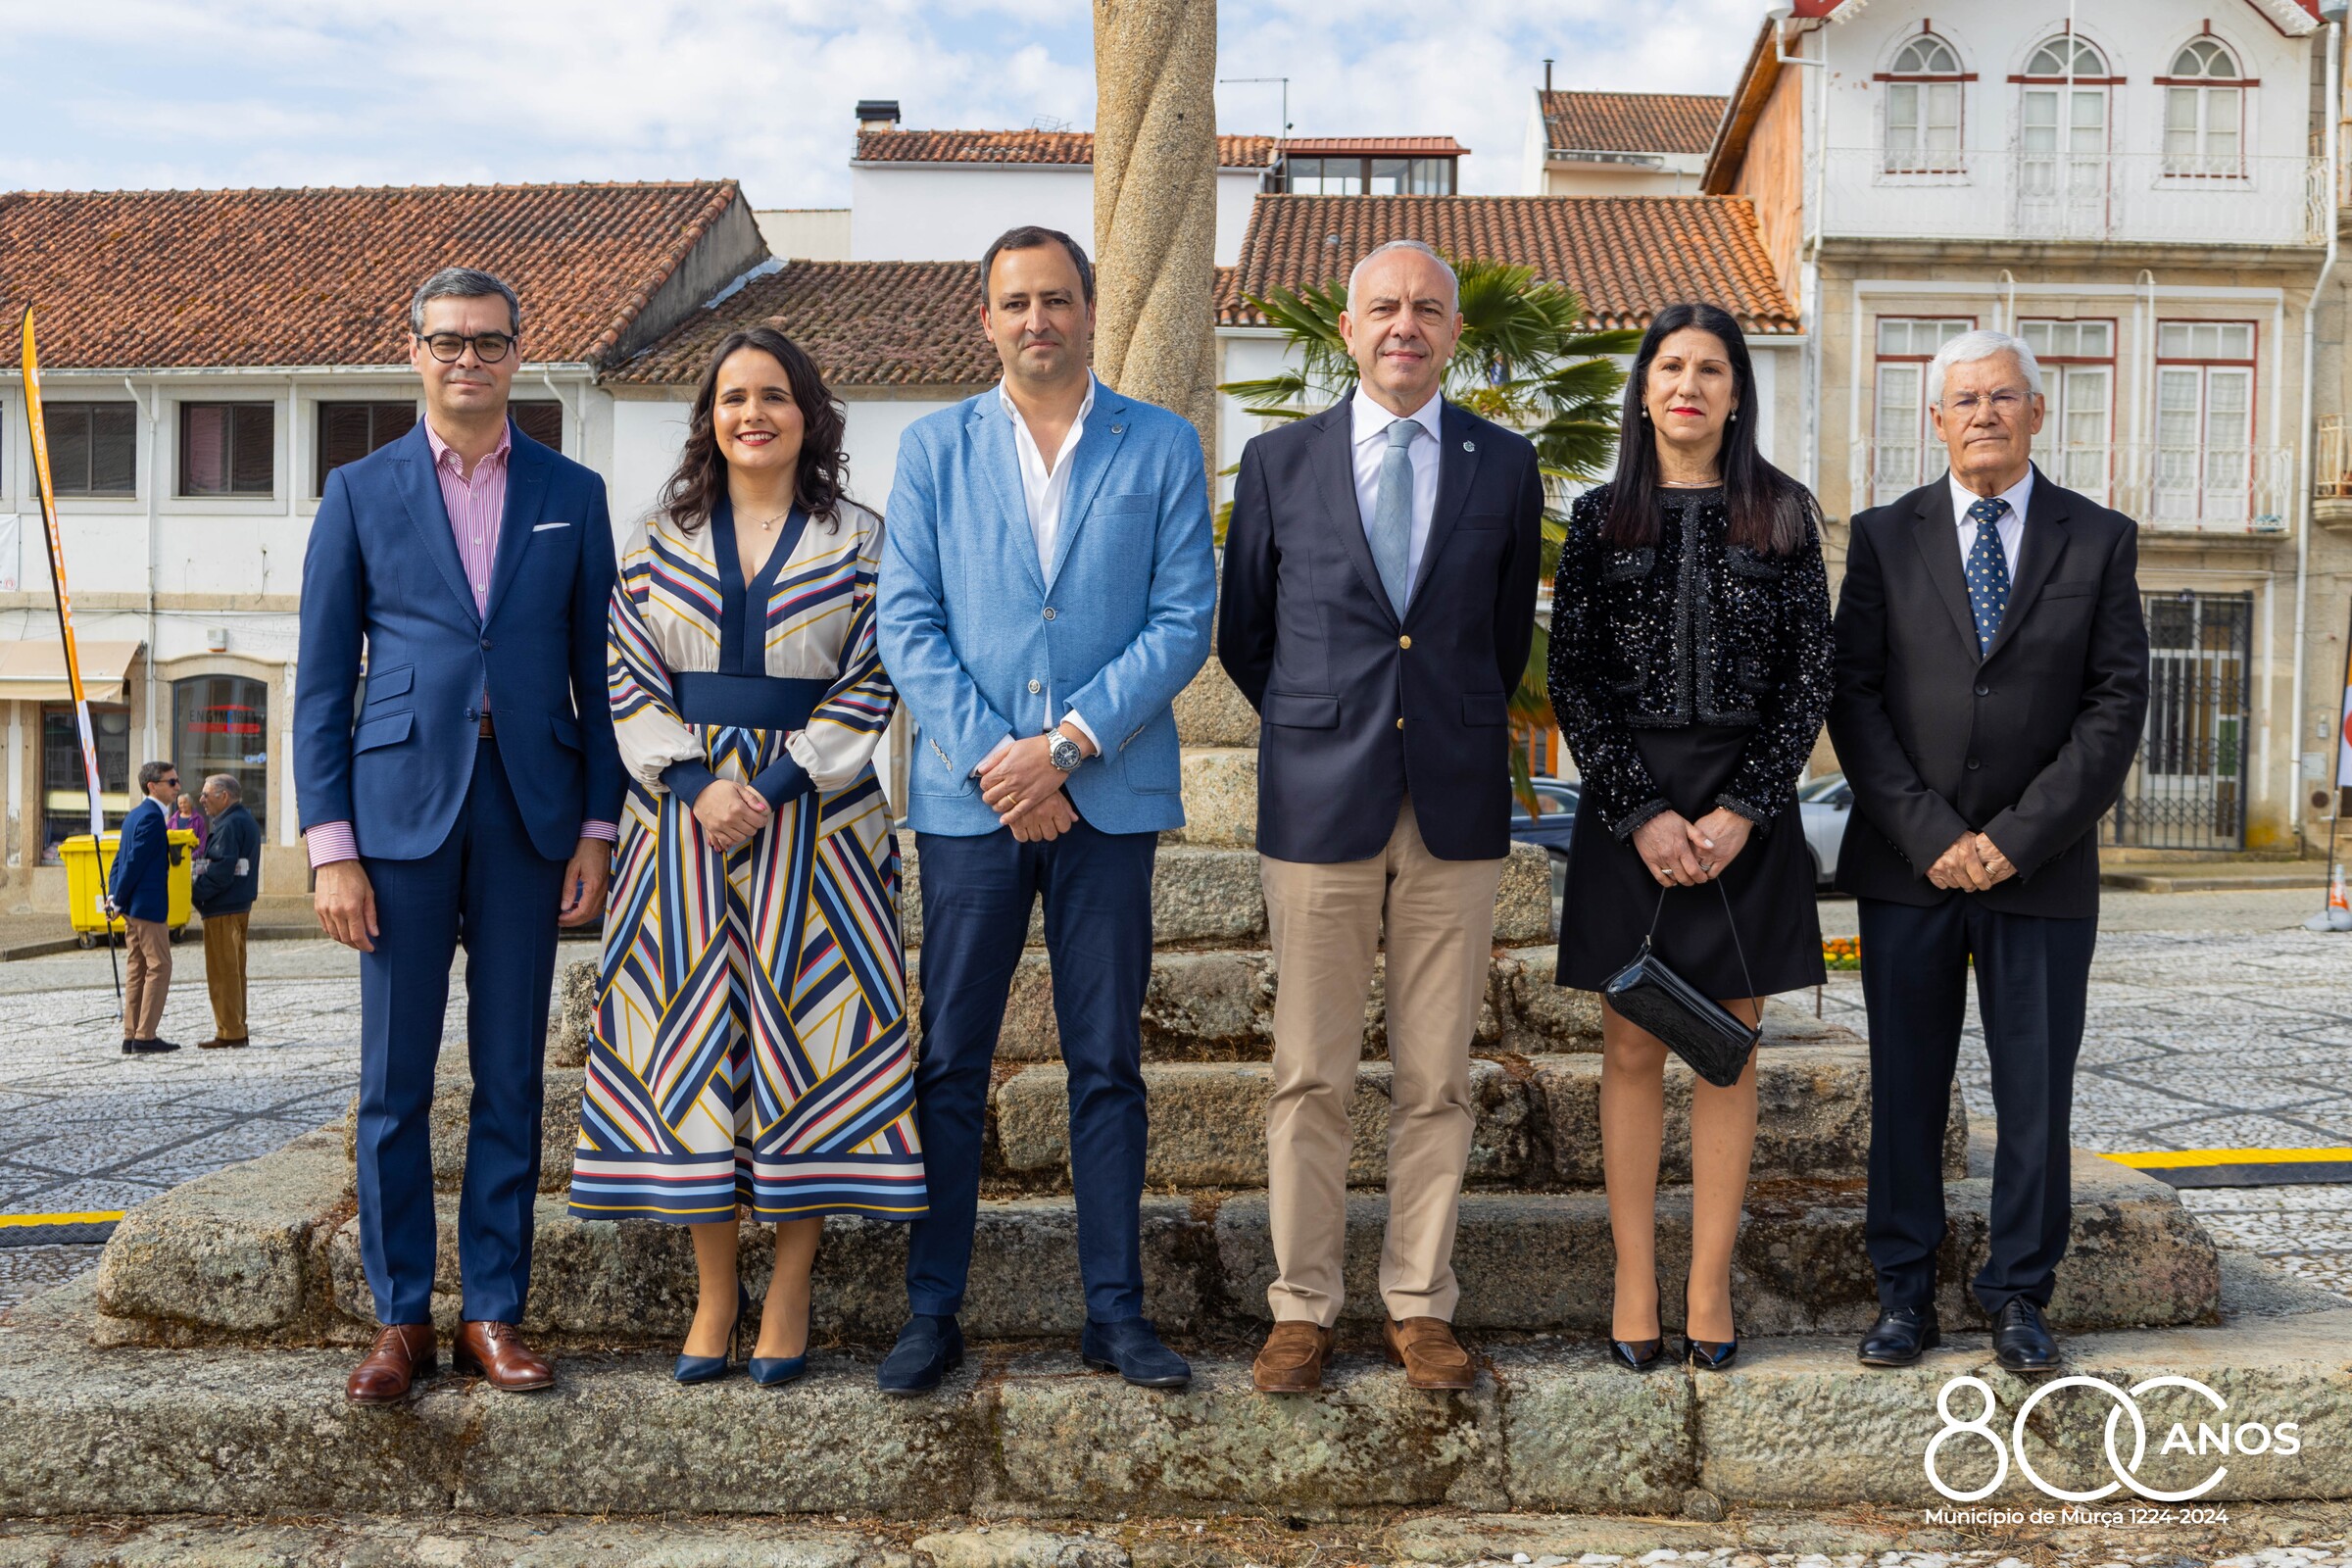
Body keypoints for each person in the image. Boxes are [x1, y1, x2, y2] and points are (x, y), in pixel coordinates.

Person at [875, 224, 1215, 1395]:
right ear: (986, 319)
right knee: (950, 1060)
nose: (1037, 319)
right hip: (970, 804)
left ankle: (1115, 1313)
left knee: (1106, 1060)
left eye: (1057, 299)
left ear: (1090, 310)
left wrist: (1064, 749)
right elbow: (907, 620)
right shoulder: (933, 448)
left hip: (1107, 796)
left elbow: (1183, 617)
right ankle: (932, 1310)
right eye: (1016, 301)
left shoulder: (1160, 444)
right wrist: (1001, 764)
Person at [1219, 238, 1544, 1396]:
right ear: (1348, 330)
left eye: (1428, 309)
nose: (1406, 324)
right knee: (1309, 1072)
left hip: (1453, 804)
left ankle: (1419, 1301)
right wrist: (1323, 721)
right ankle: (1302, 1307)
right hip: (1319, 802)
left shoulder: (1505, 464)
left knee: (1436, 1076)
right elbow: (1245, 635)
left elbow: (1500, 634)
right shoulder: (1278, 461)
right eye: (1385, 307)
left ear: (1454, 333)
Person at [296, 266, 623, 1406]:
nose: (468, 359)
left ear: (518, 352)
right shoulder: (358, 490)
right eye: (448, 341)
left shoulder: (573, 493)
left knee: (510, 1076)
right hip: (396, 817)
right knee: (393, 1081)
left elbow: (600, 676)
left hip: (532, 811)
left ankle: (492, 1309)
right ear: (416, 351)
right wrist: (331, 845)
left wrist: (597, 825)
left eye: (488, 341)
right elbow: (321, 682)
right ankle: (400, 1317)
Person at [568, 325, 918, 1387]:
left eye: (773, 395)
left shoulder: (863, 537)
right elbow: (624, 675)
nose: (752, 413)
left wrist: (771, 785)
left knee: (807, 1039)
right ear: (708, 418)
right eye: (732, 397)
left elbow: (876, 674)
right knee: (693, 1048)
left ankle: (793, 1287)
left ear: (809, 414)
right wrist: (696, 785)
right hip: (678, 826)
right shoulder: (654, 537)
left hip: (822, 826)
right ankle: (716, 1292)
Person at [1831, 328, 2147, 1375]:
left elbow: (2114, 705)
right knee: (1906, 1088)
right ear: (1935, 419)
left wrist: (2013, 840)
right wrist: (1933, 835)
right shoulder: (1884, 537)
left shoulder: (2099, 538)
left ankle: (2019, 1294)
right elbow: (1855, 699)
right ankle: (1904, 1294)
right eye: (1963, 399)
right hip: (1908, 869)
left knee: (2035, 1096)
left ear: (2037, 412)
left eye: (2003, 396)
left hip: (2041, 872)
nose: (1983, 414)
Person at [1548, 301, 1832, 1375]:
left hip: (1745, 813)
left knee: (1728, 1047)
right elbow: (1573, 676)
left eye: (1711, 369)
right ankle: (1634, 1278)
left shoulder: (1785, 514)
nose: (1689, 386)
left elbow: (1810, 675)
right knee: (1629, 1044)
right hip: (1632, 806)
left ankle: (1709, 1281)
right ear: (1644, 390)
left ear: (1737, 394)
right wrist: (1642, 813)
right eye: (1670, 366)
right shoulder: (1598, 517)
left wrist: (1746, 808)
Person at [108, 760, 183, 1055]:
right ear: (153, 786)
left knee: (137, 967)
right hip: (147, 906)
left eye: (176, 781)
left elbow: (119, 860)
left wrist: (114, 896)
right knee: (160, 966)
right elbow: (132, 861)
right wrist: (118, 898)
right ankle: (145, 1035)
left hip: (132, 906)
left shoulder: (135, 815)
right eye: (171, 782)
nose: (177, 787)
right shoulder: (151, 817)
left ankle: (131, 1035)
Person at [190, 773, 258, 1050]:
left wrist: (194, 893)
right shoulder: (242, 819)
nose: (201, 800)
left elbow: (221, 869)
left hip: (222, 908)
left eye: (206, 795)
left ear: (224, 796)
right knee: (234, 971)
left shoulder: (229, 824)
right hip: (237, 905)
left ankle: (230, 1032)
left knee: (223, 973)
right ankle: (236, 1027)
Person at [169, 793, 207, 857]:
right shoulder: (173, 819)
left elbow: (202, 841)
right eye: (180, 803)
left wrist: (192, 856)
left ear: (190, 803)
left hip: (192, 857)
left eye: (185, 802)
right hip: (174, 857)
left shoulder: (198, 819)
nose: (182, 805)